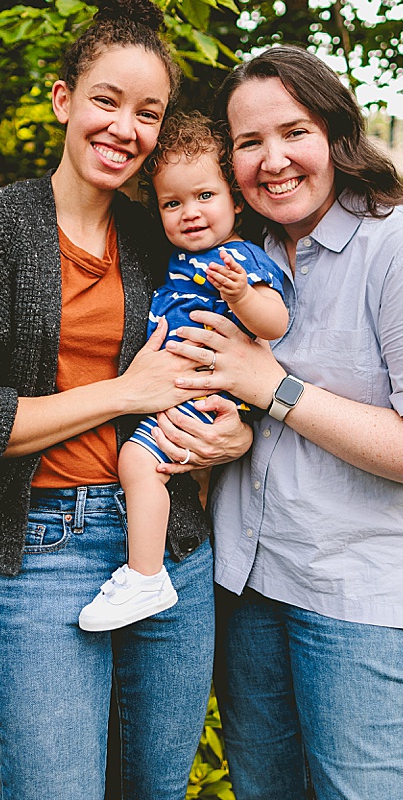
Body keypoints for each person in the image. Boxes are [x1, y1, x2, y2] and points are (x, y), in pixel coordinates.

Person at [0, 0, 252, 800]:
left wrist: (234, 434)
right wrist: (122, 393)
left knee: (155, 789)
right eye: (107, 100)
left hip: (169, 546)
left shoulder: (159, 235)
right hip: (44, 551)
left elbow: (226, 355)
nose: (124, 128)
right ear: (64, 100)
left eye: (148, 112)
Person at [167, 45, 403, 800]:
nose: (272, 160)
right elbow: (250, 420)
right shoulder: (244, 259)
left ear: (337, 135)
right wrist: (230, 438)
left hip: (364, 603)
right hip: (248, 590)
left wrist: (274, 388)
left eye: (294, 132)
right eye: (248, 142)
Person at [79, 113, 290, 632]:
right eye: (173, 203)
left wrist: (242, 295)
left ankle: (145, 574)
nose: (189, 213)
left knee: (137, 461)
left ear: (236, 200)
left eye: (204, 197)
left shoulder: (238, 257)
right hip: (179, 388)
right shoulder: (176, 258)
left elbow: (276, 322)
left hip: (199, 389)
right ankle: (147, 569)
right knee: (148, 465)